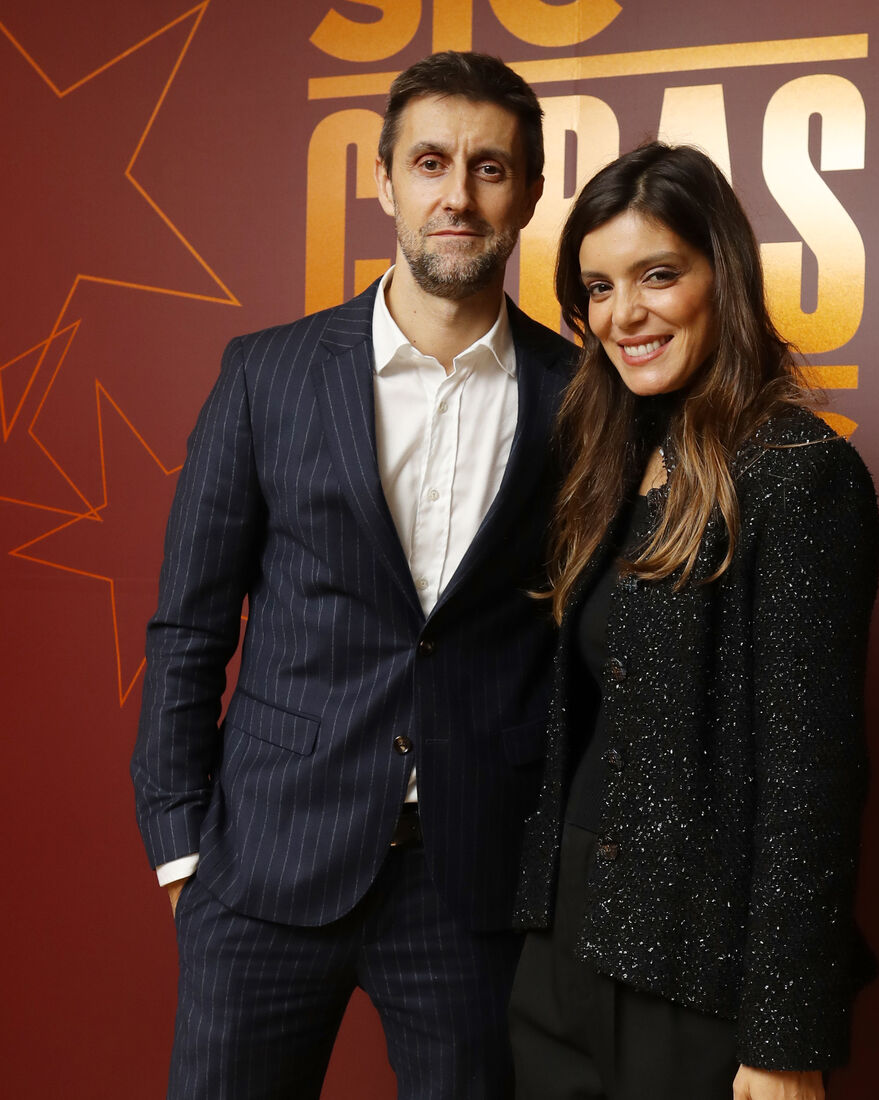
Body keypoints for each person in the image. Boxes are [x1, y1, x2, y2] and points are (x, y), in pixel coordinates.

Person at [131, 51, 574, 1100]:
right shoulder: (266, 374)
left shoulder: (580, 394)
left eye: (489, 168)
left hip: (471, 883)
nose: (456, 196)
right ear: (382, 182)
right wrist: (181, 850)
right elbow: (188, 627)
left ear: (528, 193)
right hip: (264, 861)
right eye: (429, 162)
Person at [509, 143, 879, 1100]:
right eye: (598, 288)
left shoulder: (798, 475)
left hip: (695, 970)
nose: (623, 314)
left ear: (726, 275)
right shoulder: (608, 462)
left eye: (658, 275)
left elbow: (811, 782)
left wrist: (786, 1037)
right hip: (561, 944)